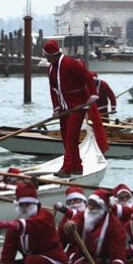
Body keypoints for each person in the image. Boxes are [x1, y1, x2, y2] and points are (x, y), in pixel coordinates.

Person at [43, 39, 102, 178]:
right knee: (65, 137)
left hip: (77, 106)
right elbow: (53, 90)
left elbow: (88, 77)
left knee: (71, 137)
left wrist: (93, 94)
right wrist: (56, 108)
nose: (45, 57)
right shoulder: (51, 69)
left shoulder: (71, 64)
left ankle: (67, 168)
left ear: (52, 55)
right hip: (64, 107)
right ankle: (77, 166)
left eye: (46, 55)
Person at [62, 189, 127, 264]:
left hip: (104, 260)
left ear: (103, 208)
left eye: (95, 205)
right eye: (89, 204)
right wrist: (69, 225)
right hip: (82, 257)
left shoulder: (115, 225)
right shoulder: (83, 215)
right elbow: (71, 225)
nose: (90, 208)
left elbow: (118, 254)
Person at [0, 183, 69, 264]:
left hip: (55, 260)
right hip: (31, 263)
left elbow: (32, 225)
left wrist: (9, 225)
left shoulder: (46, 216)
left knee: (31, 260)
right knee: (20, 262)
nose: (25, 208)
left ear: (35, 204)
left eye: (28, 204)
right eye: (22, 205)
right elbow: (7, 256)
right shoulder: (14, 228)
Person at [54, 187, 88, 252]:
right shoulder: (65, 218)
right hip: (72, 250)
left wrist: (64, 209)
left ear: (84, 201)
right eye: (69, 201)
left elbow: (77, 216)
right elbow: (61, 240)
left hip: (87, 250)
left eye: (75, 199)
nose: (72, 203)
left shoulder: (88, 213)